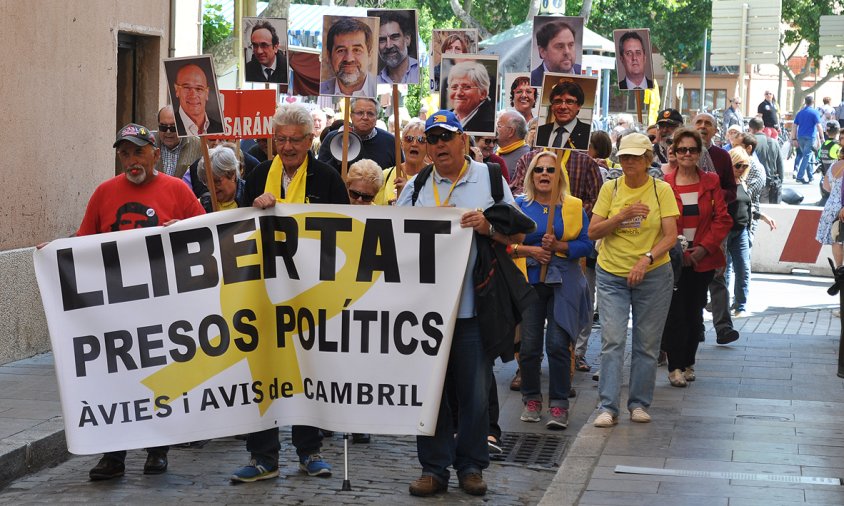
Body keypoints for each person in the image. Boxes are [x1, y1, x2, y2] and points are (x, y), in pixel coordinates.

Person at [397, 110, 518, 497]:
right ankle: (433, 468)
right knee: (429, 394)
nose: (438, 145)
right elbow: (391, 239)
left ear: (463, 140)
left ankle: (470, 466)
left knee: (475, 393)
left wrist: (488, 227)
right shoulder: (415, 188)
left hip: (472, 308)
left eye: (446, 137)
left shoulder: (490, 179)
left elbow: (514, 227)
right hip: (425, 313)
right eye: (432, 139)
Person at [77, 123, 205, 479]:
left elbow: (207, 236)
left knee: (157, 378)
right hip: (115, 307)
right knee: (114, 379)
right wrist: (55, 252)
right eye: (124, 153)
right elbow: (84, 240)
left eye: (137, 152)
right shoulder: (104, 192)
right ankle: (113, 456)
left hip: (162, 306)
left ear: (153, 153)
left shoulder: (177, 190)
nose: (131, 161)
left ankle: (157, 449)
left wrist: (183, 230)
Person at [233, 104, 348, 483]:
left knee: (306, 371)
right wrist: (254, 207)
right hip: (263, 292)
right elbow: (238, 226)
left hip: (310, 294)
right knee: (262, 372)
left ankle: (309, 450)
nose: (286, 147)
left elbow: (347, 231)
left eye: (294, 140)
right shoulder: (260, 175)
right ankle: (263, 455)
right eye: (279, 139)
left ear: (310, 139)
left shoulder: (327, 178)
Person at [588, 133, 679, 427]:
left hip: (653, 274)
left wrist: (646, 258)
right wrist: (621, 216)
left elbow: (670, 236)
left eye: (635, 157)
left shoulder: (660, 190)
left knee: (647, 343)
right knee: (612, 339)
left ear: (647, 160)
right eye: (624, 156)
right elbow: (593, 232)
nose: (628, 162)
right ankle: (607, 407)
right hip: (612, 272)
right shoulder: (610, 188)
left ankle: (639, 403)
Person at [515, 151, 592, 429]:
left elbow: (588, 244)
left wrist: (560, 247)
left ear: (560, 177)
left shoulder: (573, 207)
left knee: (559, 345)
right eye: (539, 170)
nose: (545, 174)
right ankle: (532, 399)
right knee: (530, 346)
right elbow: (505, 244)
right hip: (531, 283)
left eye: (551, 170)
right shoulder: (519, 206)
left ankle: (559, 405)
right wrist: (530, 249)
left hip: (564, 283)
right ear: (531, 175)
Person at [662, 129, 731, 388]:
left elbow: (723, 218)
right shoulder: (665, 184)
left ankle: (688, 362)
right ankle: (675, 366)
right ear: (675, 153)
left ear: (699, 153)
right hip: (672, 260)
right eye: (682, 150)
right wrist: (678, 251)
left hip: (702, 259)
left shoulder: (711, 181)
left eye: (692, 149)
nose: (687, 154)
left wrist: (703, 248)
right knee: (674, 313)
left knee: (693, 312)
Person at [693, 112, 740, 345]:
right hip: (689, 225)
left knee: (717, 275)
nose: (703, 127)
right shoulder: (684, 152)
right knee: (693, 275)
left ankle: (723, 328)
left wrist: (715, 196)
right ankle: (696, 325)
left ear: (715, 130)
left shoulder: (721, 156)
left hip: (715, 225)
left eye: (707, 124)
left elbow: (732, 189)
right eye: (699, 123)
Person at [318, 98, 398, 172]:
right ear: (351, 116)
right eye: (360, 113)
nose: (365, 117)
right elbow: (320, 171)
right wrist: (338, 157)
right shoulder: (333, 138)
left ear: (377, 117)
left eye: (370, 113)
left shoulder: (390, 141)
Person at [374, 118, 427, 205]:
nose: (414, 144)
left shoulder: (434, 177)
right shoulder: (385, 176)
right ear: (402, 144)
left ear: (428, 146)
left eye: (421, 140)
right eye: (409, 139)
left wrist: (408, 193)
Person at [320, 18, 377, 97]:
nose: (349, 59)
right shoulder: (320, 89)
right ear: (329, 56)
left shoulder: (381, 89)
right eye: (341, 50)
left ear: (369, 54)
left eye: (357, 50)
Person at [536, 81, 591, 150]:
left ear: (579, 106)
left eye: (569, 101)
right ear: (552, 106)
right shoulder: (539, 132)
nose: (563, 107)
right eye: (558, 101)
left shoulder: (588, 134)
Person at [445, 60, 495, 134]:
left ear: (483, 94)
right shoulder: (444, 119)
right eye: (454, 87)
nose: (459, 93)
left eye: (466, 87)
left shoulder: (489, 125)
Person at [173, 63, 223, 136]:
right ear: (177, 90)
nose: (193, 95)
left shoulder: (219, 129)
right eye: (187, 88)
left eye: (199, 89)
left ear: (207, 93)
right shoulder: (170, 129)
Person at [816, 141, 844, 268]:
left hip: (831, 207)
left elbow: (826, 187)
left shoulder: (833, 166)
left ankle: (839, 270)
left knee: (836, 239)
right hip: (842, 206)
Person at [196, 145, 248, 211]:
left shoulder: (252, 196)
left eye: (217, 181)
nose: (212, 187)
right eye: (207, 183)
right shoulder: (201, 205)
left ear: (232, 174)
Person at [155, 105, 201, 179]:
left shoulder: (199, 146)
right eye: (163, 127)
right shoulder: (148, 142)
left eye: (174, 127)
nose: (168, 132)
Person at [531, 20, 581, 87]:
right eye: (560, 46)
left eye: (571, 45)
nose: (567, 51)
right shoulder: (530, 81)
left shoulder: (584, 74)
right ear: (542, 51)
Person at [376, 11, 418, 84]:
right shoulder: (375, 81)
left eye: (394, 37)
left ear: (407, 39)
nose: (388, 46)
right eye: (382, 40)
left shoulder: (420, 71)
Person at [749, 117, 783, 203]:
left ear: (750, 129)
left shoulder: (749, 143)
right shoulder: (774, 142)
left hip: (754, 182)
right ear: (763, 128)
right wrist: (780, 181)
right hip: (771, 182)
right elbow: (780, 164)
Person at [792, 96, 825, 184]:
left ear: (805, 102)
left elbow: (794, 126)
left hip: (800, 136)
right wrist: (822, 137)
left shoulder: (800, 113)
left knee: (807, 156)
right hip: (810, 136)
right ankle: (800, 176)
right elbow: (819, 125)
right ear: (813, 102)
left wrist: (793, 138)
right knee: (807, 156)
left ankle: (810, 176)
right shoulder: (815, 112)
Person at [495, 110, 530, 175]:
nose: (495, 129)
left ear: (511, 131)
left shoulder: (526, 157)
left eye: (498, 126)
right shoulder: (497, 151)